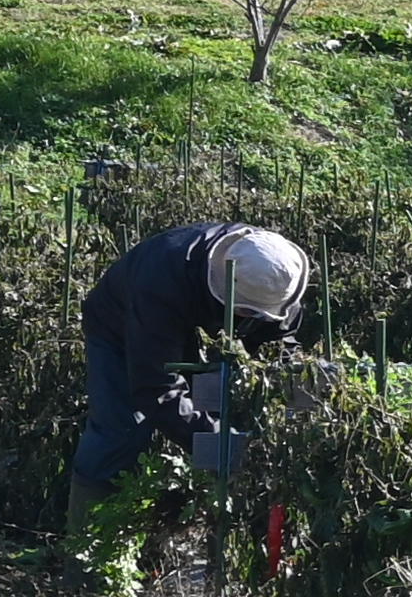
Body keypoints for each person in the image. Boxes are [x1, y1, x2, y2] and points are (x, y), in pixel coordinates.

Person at [71, 221, 312, 523]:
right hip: (121, 326)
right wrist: (219, 444)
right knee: (121, 431)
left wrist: (293, 400)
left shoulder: (275, 278)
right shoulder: (160, 282)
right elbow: (156, 387)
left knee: (226, 399)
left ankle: (216, 514)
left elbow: (279, 350)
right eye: (247, 311)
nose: (254, 318)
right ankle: (91, 543)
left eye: (259, 314)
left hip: (198, 325)